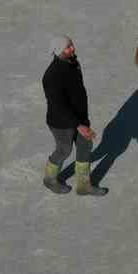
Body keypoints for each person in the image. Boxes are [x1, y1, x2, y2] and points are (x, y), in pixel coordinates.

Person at [42, 37, 104, 196]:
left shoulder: (73, 63)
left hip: (79, 116)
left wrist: (83, 119)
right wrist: (79, 125)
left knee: (85, 146)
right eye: (67, 47)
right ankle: (50, 179)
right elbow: (58, 106)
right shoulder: (51, 76)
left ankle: (84, 185)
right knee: (64, 149)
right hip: (61, 122)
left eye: (71, 45)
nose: (72, 49)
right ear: (57, 51)